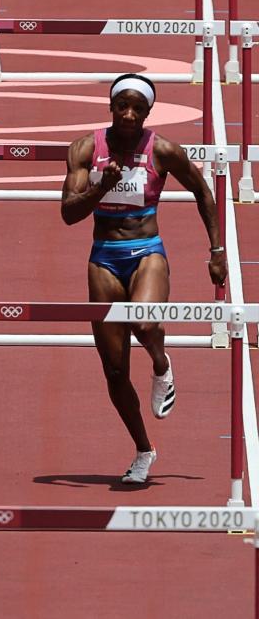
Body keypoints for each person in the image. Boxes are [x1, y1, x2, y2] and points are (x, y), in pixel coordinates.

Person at [61, 73, 227, 484]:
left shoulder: (163, 150)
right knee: (115, 371)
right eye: (123, 106)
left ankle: (160, 361)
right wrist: (103, 188)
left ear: (149, 112)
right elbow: (68, 213)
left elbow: (203, 191)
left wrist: (217, 251)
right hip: (103, 257)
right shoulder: (86, 149)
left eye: (138, 108)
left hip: (146, 250)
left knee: (146, 320)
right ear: (111, 107)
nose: (130, 114)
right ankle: (143, 450)